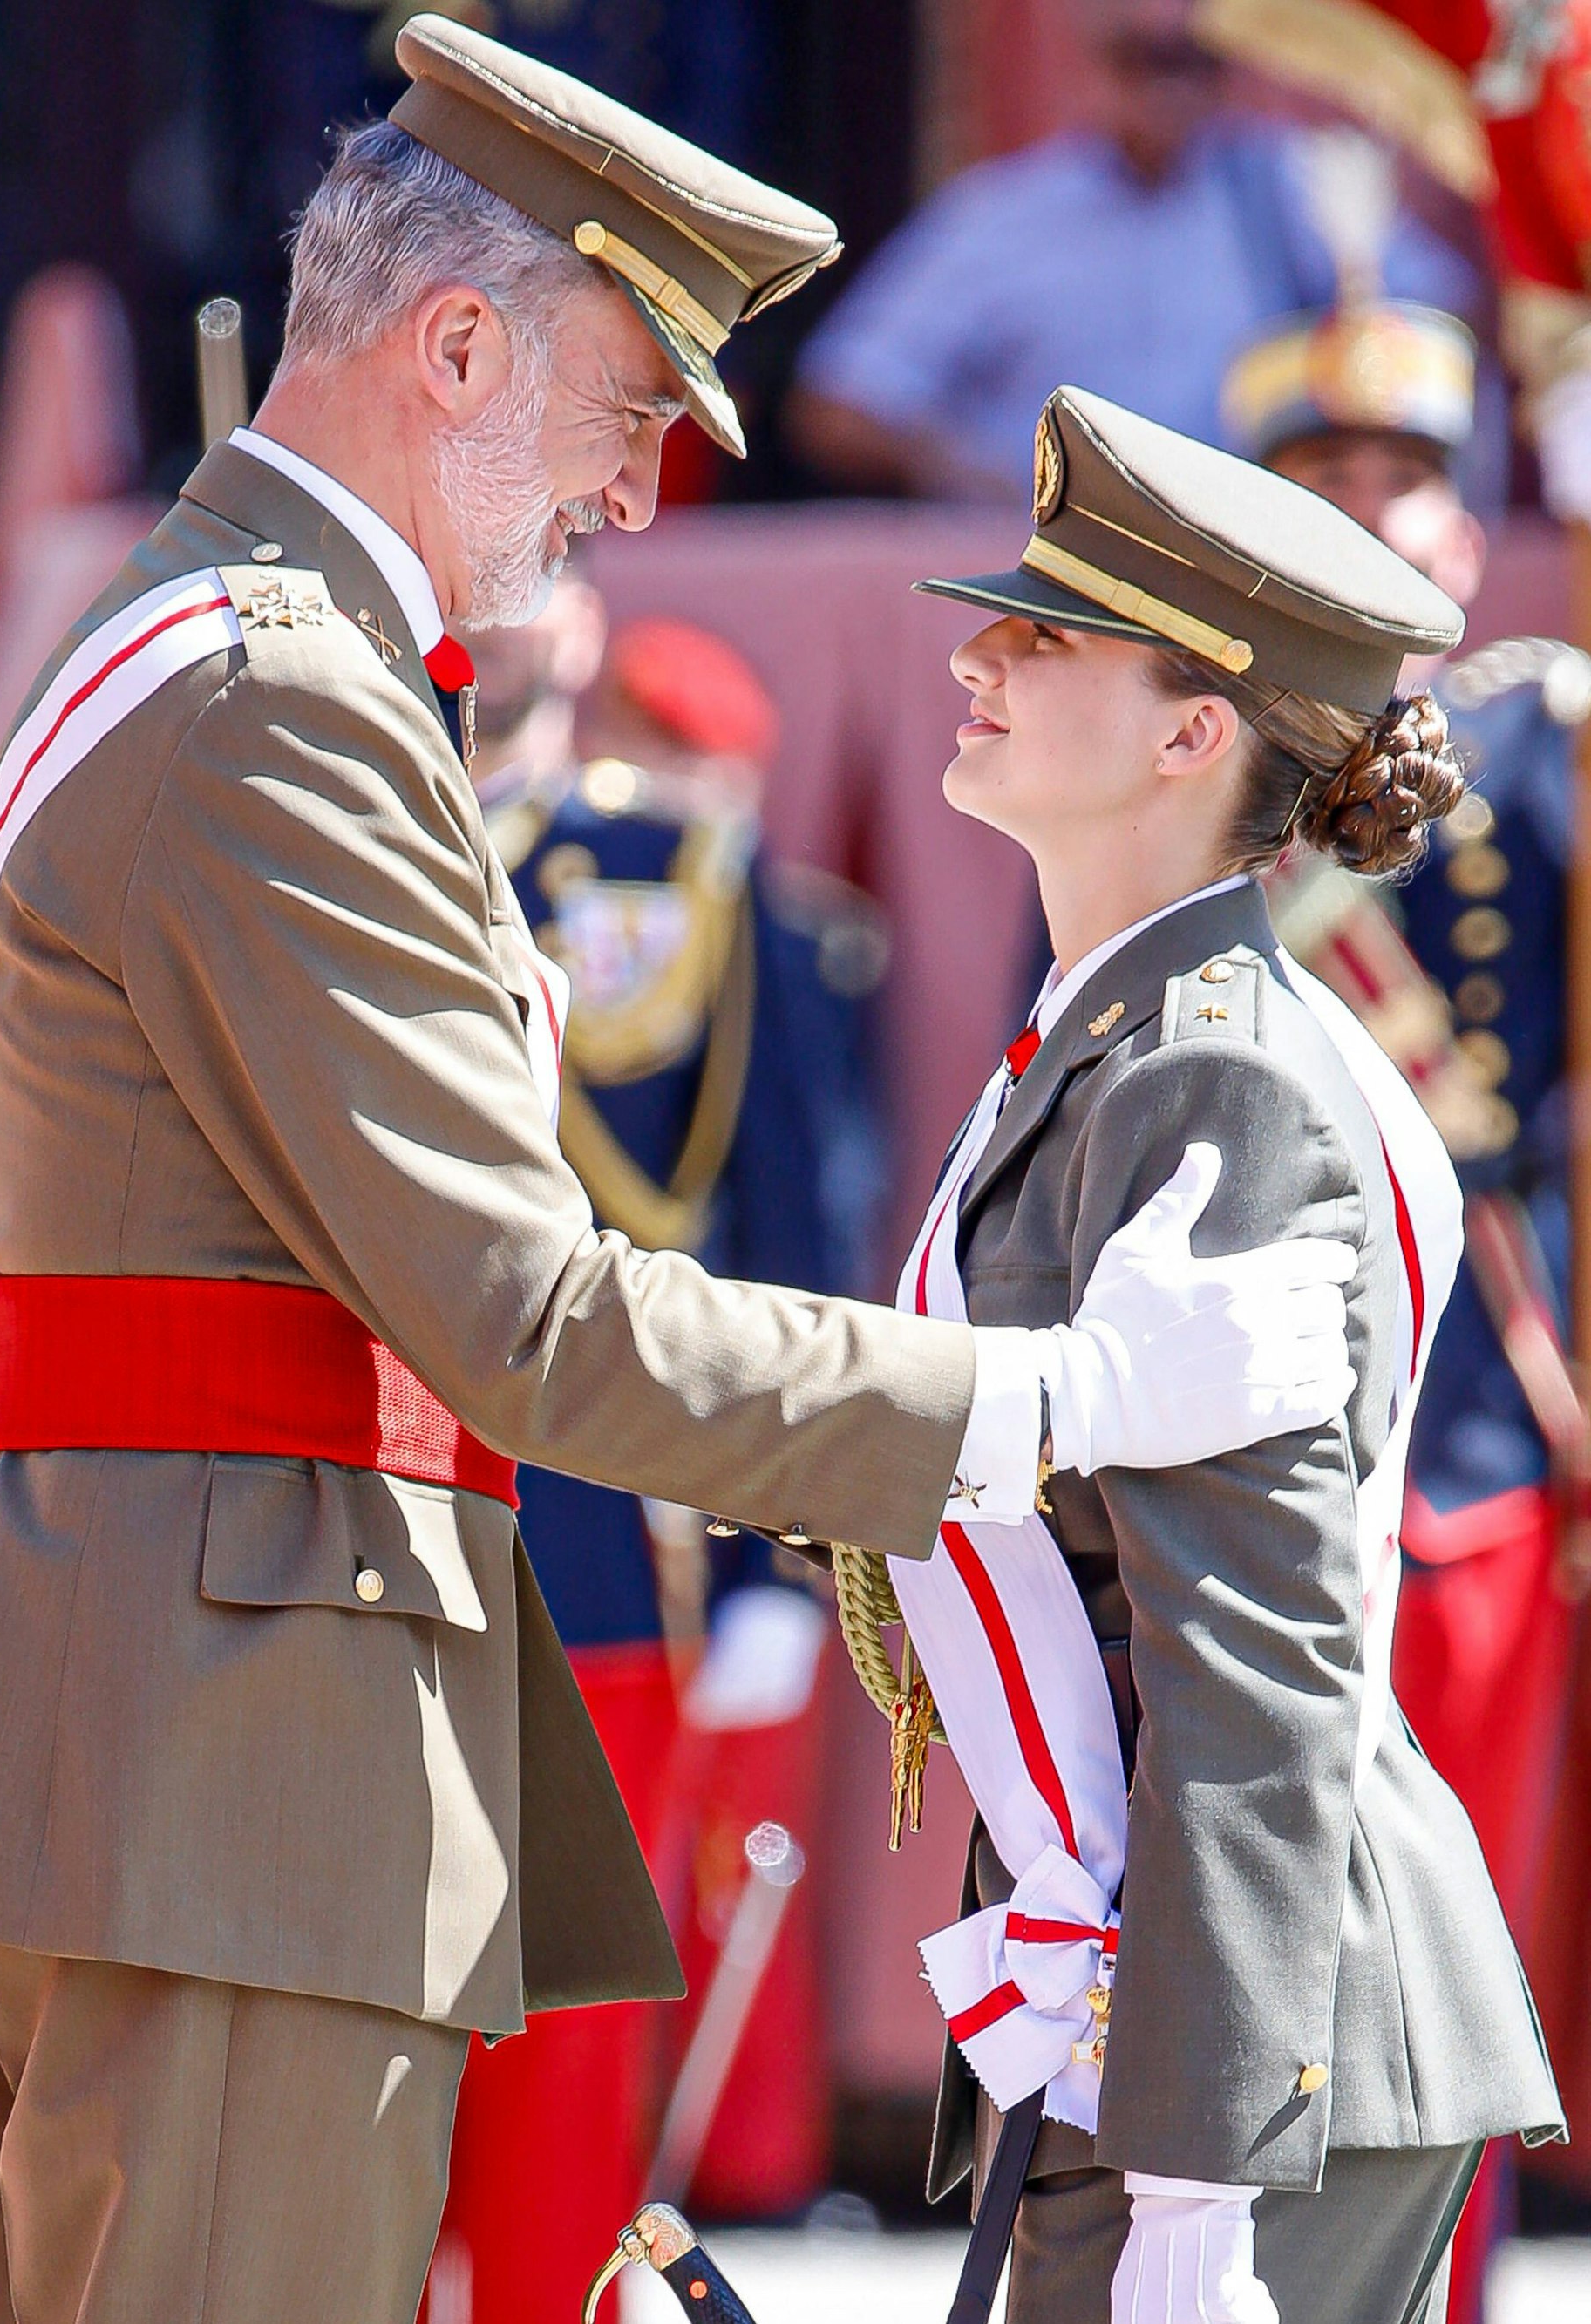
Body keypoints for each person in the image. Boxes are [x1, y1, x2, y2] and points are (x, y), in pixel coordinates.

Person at [0, 22, 1360, 2323]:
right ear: (452, 344)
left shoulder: (255, 655)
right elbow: (531, 1321)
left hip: (186, 1731)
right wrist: (1053, 1399)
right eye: (625, 411)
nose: (643, 498)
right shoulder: (284, 705)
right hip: (223, 1769)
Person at [874, 385, 1562, 2324]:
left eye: (1046, 632)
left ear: (1194, 732)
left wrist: (1194, 2184)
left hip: (1253, 2031)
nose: (974, 650)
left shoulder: (1211, 1077)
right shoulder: (1120, 1038)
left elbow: (1257, 1649)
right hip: (1190, 1991)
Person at [426, 587, 860, 2319]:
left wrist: (779, 1548)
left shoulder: (668, 874)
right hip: (348, 1522)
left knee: (559, 2056)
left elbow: (781, 1213)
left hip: (593, 1531)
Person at [1224, 294, 1588, 2321]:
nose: (1372, 512)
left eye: (1407, 479)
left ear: (1464, 526)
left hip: (1476, 1377)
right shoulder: (1198, 721)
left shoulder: (1549, 726)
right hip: (1262, 1344)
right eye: (1326, 480)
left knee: (1451, 1918)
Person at [785, 0, 1479, 505]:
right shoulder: (1001, 212)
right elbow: (838, 407)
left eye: (1190, 63)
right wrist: (989, 478)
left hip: (1244, 563)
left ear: (1228, 68)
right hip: (1055, 561)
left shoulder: (1290, 187)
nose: (1167, 89)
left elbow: (1440, 327)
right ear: (1091, 60)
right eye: (1141, 61)